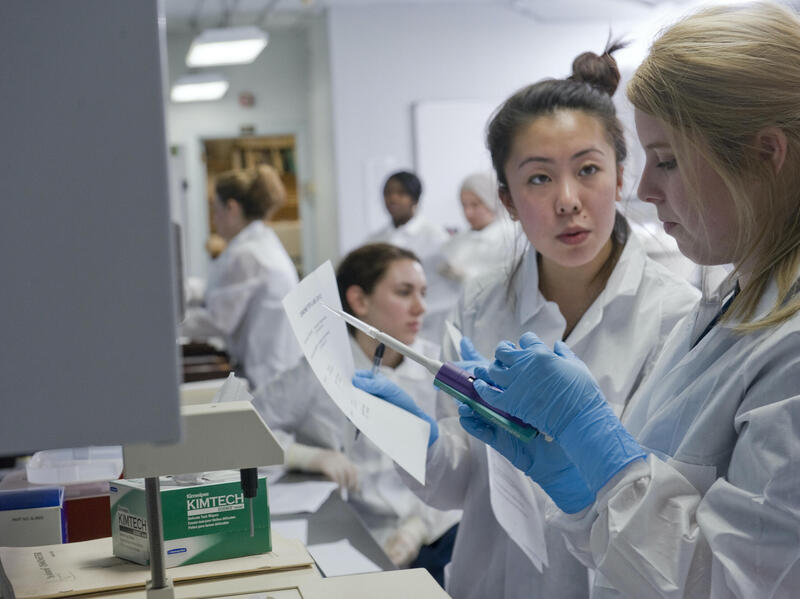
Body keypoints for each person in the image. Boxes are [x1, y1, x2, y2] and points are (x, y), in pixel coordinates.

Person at [452, 3, 800, 597]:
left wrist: (600, 449)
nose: (643, 189)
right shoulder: (726, 302)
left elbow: (739, 584)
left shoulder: (787, 350)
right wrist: (587, 492)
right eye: (537, 178)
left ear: (766, 156)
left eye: (666, 161)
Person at [354, 44, 700, 598]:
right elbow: (457, 485)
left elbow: (673, 525)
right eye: (538, 179)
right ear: (507, 201)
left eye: (588, 170)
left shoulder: (675, 316)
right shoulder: (481, 304)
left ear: (619, 178)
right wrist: (408, 437)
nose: (568, 200)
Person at [252, 243, 460, 585]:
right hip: (348, 534)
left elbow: (461, 467)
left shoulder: (435, 371)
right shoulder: (319, 370)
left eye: (423, 293)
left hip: (429, 531)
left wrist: (417, 527)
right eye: (404, 293)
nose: (421, 307)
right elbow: (246, 430)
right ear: (359, 301)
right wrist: (307, 455)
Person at [180, 164, 301, 390]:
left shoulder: (247, 254)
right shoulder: (259, 241)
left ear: (232, 208)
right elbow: (223, 289)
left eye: (216, 209)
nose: (214, 219)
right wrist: (186, 289)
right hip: (275, 366)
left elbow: (217, 321)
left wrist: (172, 323)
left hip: (265, 375)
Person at [438, 170, 520, 284]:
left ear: (492, 201)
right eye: (464, 205)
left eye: (475, 205)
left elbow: (509, 282)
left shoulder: (513, 238)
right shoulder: (458, 240)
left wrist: (467, 277)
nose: (468, 213)